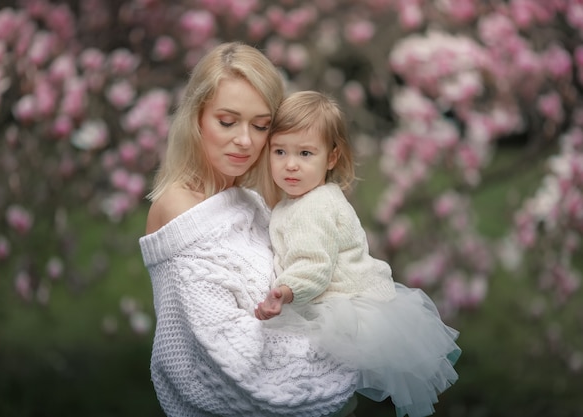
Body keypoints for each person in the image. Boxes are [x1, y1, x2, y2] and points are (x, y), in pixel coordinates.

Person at [139, 42, 360, 417]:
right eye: (227, 122)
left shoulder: (251, 202)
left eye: (260, 126)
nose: (245, 140)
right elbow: (227, 355)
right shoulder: (180, 209)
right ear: (197, 119)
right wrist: (353, 352)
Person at [255, 91, 461, 417]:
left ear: (332, 158)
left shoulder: (316, 207)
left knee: (321, 389)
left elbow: (315, 264)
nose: (290, 164)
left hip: (341, 304)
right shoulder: (300, 201)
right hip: (340, 298)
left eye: (306, 153)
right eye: (280, 151)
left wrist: (285, 290)